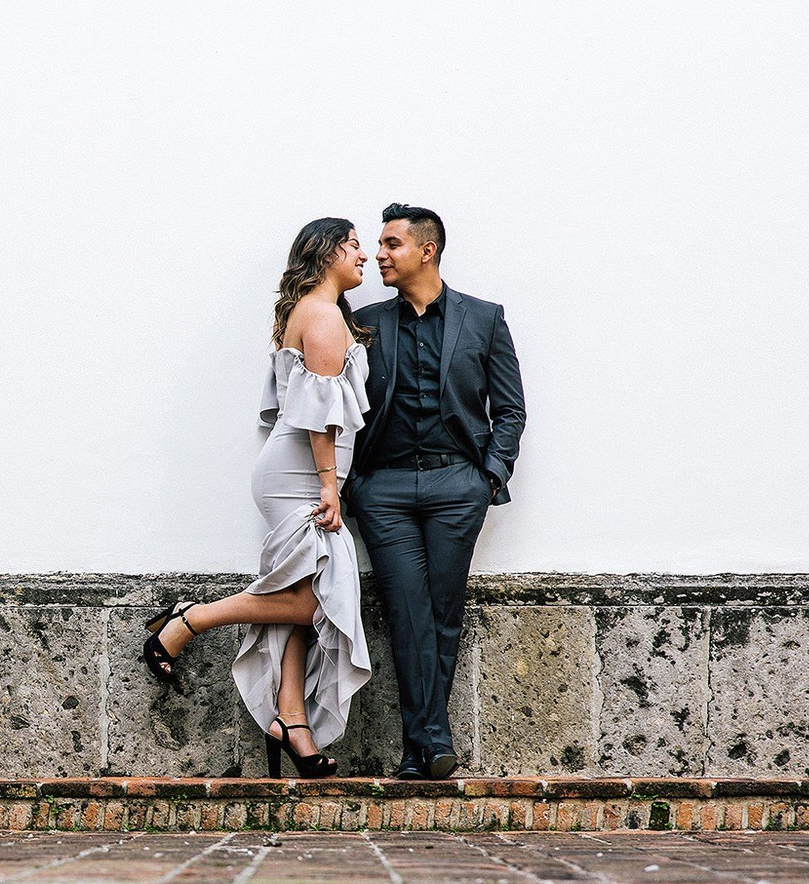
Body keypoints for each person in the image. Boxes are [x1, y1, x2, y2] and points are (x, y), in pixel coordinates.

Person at [140, 219, 373, 777]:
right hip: (301, 476)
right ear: (328, 252)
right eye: (355, 245)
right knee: (316, 604)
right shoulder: (321, 315)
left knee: (304, 599)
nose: (363, 256)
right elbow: (320, 411)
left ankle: (291, 722)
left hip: (302, 472)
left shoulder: (317, 313)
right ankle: (188, 619)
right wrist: (326, 484)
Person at [344, 204, 526, 779]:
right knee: (406, 611)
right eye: (377, 244)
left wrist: (489, 475)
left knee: (443, 612)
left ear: (427, 250)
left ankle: (419, 749)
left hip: (457, 483)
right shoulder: (367, 322)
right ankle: (432, 740)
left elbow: (511, 409)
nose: (379, 254)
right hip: (386, 488)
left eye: (391, 244)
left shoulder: (484, 318)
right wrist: (354, 484)